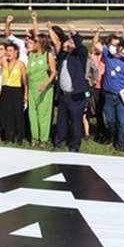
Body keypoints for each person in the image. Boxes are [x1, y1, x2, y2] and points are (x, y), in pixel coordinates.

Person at [48, 24, 89, 152]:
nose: (69, 43)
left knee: (76, 122)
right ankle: (59, 142)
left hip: (76, 96)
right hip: (64, 95)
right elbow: (56, 43)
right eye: (68, 42)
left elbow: (79, 45)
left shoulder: (80, 55)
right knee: (61, 121)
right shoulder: (64, 55)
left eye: (72, 42)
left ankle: (75, 146)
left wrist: (73, 32)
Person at [94, 28, 124, 152]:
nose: (113, 47)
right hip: (108, 95)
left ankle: (121, 144)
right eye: (111, 44)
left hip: (121, 96)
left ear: (121, 47)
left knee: (122, 122)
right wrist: (97, 32)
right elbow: (96, 43)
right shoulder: (107, 55)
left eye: (116, 45)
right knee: (110, 120)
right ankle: (113, 137)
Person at [25, 32, 56, 145]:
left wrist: (46, 83)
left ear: (42, 43)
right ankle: (34, 137)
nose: (33, 43)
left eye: (36, 41)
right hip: (32, 89)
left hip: (44, 89)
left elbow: (53, 72)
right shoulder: (31, 55)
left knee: (43, 114)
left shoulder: (48, 55)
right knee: (32, 114)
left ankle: (43, 139)